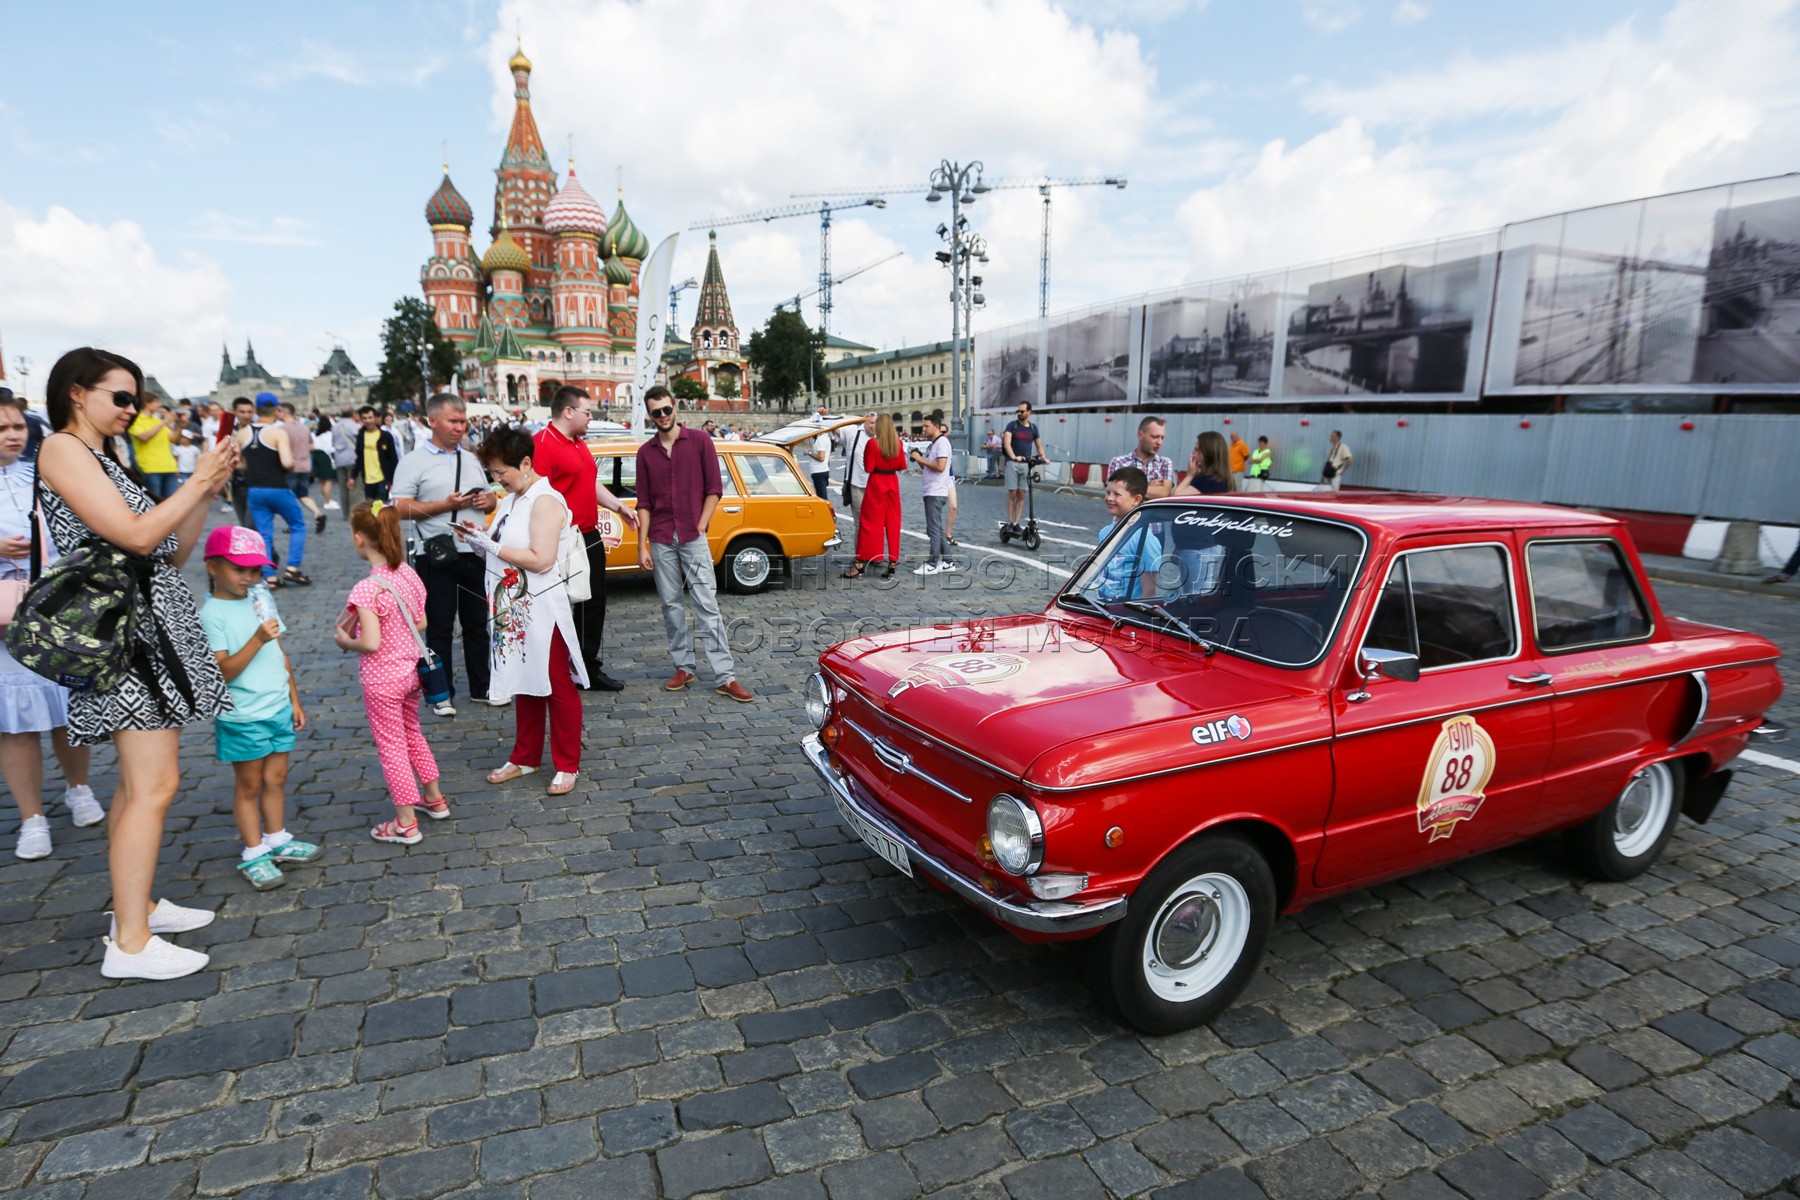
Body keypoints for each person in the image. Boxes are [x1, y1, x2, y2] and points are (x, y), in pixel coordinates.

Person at [37, 346, 237, 980]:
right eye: (121, 397)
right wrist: (197, 481)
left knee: (136, 783)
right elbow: (136, 536)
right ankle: (129, 942)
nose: (131, 409)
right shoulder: (63, 449)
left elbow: (169, 552)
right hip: (126, 639)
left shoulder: (101, 457)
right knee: (155, 784)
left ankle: (138, 905)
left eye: (135, 398)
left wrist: (206, 491)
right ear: (77, 392)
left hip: (148, 630)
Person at [458, 428, 589, 793]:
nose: (497, 479)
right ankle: (525, 756)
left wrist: (491, 546)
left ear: (526, 463)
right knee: (524, 680)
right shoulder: (513, 499)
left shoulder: (544, 500)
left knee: (556, 684)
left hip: (542, 607)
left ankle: (567, 763)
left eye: (502, 472)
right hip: (513, 605)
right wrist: (479, 538)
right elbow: (502, 546)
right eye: (493, 473)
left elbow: (541, 559)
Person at [0, 394, 99, 860]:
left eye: (17, 426)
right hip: (4, 616)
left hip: (54, 605)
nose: (12, 435)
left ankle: (79, 787)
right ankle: (31, 817)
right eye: (1, 429)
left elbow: (78, 531)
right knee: (14, 722)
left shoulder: (42, 476)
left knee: (66, 704)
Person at [201, 526, 319, 890]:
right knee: (249, 785)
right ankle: (254, 851)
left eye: (255, 570)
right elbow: (223, 671)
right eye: (239, 569)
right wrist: (256, 638)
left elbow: (279, 653)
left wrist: (293, 699)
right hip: (244, 715)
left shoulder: (260, 599)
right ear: (213, 567)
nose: (249, 577)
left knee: (276, 779)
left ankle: (277, 837)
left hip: (277, 706)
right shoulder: (212, 613)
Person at [335, 501, 450, 843]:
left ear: (359, 538)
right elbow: (422, 622)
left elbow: (370, 642)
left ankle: (405, 823)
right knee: (413, 733)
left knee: (391, 747)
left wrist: (346, 641)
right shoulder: (408, 574)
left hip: (382, 680)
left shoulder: (366, 589)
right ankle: (435, 798)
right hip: (412, 674)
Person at [634, 386, 753, 702]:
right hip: (660, 537)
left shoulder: (700, 441)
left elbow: (714, 489)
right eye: (656, 412)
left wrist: (700, 525)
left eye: (666, 409)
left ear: (675, 406)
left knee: (706, 604)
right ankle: (684, 666)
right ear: (650, 415)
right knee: (670, 605)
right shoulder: (645, 453)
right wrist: (642, 545)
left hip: (692, 535)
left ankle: (725, 676)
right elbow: (643, 503)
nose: (662, 416)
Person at [390, 392, 500, 715]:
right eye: (453, 421)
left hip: (474, 551)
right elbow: (399, 508)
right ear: (432, 421)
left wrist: (487, 501)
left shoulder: (471, 458)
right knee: (439, 627)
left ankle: (483, 687)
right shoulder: (413, 462)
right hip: (436, 553)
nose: (460, 427)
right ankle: (441, 693)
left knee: (478, 623)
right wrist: (444, 505)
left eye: (463, 421)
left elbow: (491, 498)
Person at [533, 386, 635, 692]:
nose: (591, 417)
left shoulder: (578, 443)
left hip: (589, 535)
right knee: (559, 605)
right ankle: (552, 667)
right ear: (568, 411)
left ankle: (585, 666)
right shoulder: (542, 444)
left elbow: (589, 482)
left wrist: (618, 506)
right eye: (587, 412)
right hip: (562, 539)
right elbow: (536, 497)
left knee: (594, 602)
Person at [239, 396, 309, 587]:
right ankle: (292, 568)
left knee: (264, 534)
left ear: (256, 410)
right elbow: (287, 463)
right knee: (297, 525)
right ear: (276, 411)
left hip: (255, 489)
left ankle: (270, 576)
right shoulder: (278, 433)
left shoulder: (242, 434)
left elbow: (239, 463)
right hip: (277, 487)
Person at [846, 413, 906, 579]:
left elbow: (868, 467)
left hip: (876, 484)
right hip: (892, 483)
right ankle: (892, 563)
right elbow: (901, 465)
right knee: (893, 523)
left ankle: (860, 563)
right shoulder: (898, 443)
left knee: (868, 523)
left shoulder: (872, 444)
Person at [1093, 466, 1161, 602]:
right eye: (1108, 492)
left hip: (1125, 609)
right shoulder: (1105, 532)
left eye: (1117, 494)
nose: (1109, 498)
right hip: (1102, 605)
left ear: (1136, 500)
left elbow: (1149, 592)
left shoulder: (1145, 539)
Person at [911, 410, 956, 576]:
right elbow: (928, 467)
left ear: (936, 426)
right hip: (931, 489)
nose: (923, 429)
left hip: (936, 490)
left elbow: (940, 467)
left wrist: (919, 458)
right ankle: (948, 561)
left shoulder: (942, 443)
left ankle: (932, 563)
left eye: (926, 426)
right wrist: (919, 458)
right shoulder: (933, 444)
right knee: (936, 527)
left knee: (933, 529)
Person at [277, 403, 324, 534]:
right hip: (305, 466)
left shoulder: (281, 429)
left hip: (290, 467)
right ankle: (318, 513)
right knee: (303, 494)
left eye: (278, 411)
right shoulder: (304, 428)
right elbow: (312, 446)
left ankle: (293, 523)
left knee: (288, 497)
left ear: (284, 412)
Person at [127, 393, 181, 501]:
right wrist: (164, 421)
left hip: (169, 467)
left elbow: (174, 439)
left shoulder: (157, 421)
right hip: (150, 468)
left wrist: (180, 425)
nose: (159, 405)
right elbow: (145, 437)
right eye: (156, 402)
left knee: (170, 503)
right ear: (146, 403)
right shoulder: (135, 420)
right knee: (153, 503)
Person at [1107, 416, 1176, 499]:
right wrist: (1147, 485)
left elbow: (1165, 492)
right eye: (1154, 437)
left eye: (1162, 438)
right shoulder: (1118, 462)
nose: (1159, 442)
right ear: (1140, 435)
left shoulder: (1165, 463)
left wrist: (1129, 488)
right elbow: (1114, 493)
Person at [1003, 402, 1039, 529]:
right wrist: (1013, 456)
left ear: (1029, 412)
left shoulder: (1033, 428)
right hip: (1013, 463)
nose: (1019, 413)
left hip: (1025, 464)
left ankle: (1016, 522)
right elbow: (1007, 443)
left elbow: (1039, 444)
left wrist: (1043, 457)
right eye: (1018, 411)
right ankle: (1010, 522)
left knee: (1021, 494)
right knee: (1012, 492)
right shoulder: (1012, 425)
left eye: (1022, 411)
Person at [225, 396, 255, 525]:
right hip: (237, 482)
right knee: (244, 523)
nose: (246, 415)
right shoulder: (229, 432)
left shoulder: (258, 431)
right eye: (242, 412)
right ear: (235, 412)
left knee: (252, 523)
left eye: (249, 412)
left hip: (256, 482)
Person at [358, 406, 399, 501]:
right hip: (368, 479)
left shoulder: (386, 435)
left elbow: (393, 459)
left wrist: (393, 480)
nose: (368, 421)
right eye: (365, 418)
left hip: (383, 477)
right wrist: (353, 476)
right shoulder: (361, 436)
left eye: (370, 417)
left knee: (380, 505)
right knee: (371, 506)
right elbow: (359, 458)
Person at [1175, 431, 1234, 496]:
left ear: (1208, 453)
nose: (1193, 453)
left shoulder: (1207, 481)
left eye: (1196, 449)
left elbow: (1176, 497)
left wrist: (1189, 476)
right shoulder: (1225, 479)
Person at [842, 412, 874, 522]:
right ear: (864, 422)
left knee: (874, 519)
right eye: (871, 423)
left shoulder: (882, 436)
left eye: (876, 423)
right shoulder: (853, 431)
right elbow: (835, 429)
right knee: (860, 520)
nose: (874, 426)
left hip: (875, 485)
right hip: (857, 484)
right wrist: (824, 416)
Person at [311, 414, 341, 511]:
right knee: (328, 480)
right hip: (325, 456)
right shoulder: (328, 434)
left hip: (317, 455)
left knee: (322, 480)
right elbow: (329, 448)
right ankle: (327, 502)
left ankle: (326, 499)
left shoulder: (316, 433)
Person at [332, 408, 361, 495]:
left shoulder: (335, 427)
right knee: (354, 490)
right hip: (353, 459)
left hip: (339, 460)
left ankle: (344, 504)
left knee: (343, 490)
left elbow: (333, 442)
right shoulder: (355, 426)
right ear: (353, 414)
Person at [807, 404, 832, 500]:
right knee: (821, 494)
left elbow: (821, 457)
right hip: (821, 470)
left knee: (822, 497)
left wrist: (809, 453)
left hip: (819, 471)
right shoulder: (823, 437)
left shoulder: (821, 439)